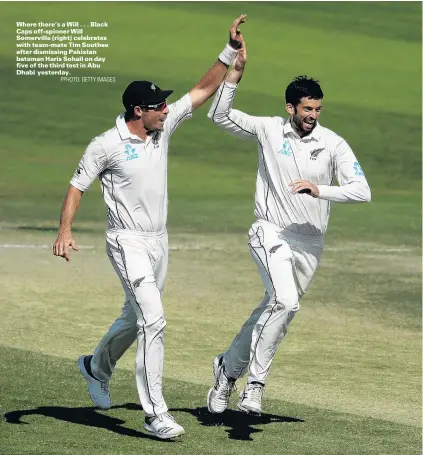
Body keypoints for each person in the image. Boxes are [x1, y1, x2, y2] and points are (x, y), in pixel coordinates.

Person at [52, 15, 247, 440]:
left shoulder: (162, 127)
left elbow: (200, 90)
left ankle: (94, 367)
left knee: (133, 316)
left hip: (159, 242)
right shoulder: (106, 144)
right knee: (153, 320)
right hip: (126, 242)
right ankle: (154, 413)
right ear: (138, 111)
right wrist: (65, 230)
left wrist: (229, 51)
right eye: (158, 105)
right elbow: (76, 186)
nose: (166, 109)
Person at [206, 39, 371, 416]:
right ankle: (254, 386)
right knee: (285, 301)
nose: (313, 114)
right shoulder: (269, 131)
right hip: (271, 231)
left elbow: (362, 191)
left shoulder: (333, 144)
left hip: (310, 243)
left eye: (317, 108)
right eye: (307, 108)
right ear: (290, 108)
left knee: (276, 311)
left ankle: (226, 371)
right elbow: (219, 116)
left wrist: (320, 189)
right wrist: (236, 72)